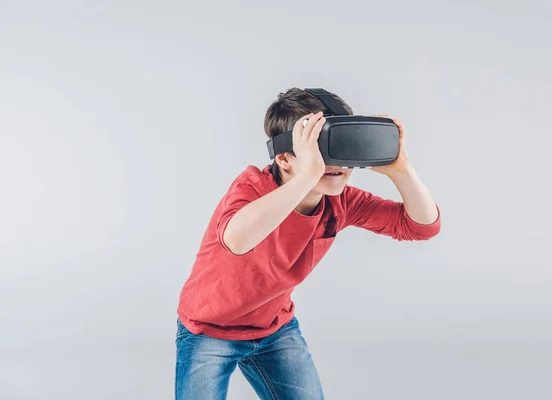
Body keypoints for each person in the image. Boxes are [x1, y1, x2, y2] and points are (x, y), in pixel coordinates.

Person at [175, 87, 441, 399]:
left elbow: (421, 226)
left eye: (338, 146)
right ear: (284, 157)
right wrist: (307, 177)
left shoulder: (341, 202)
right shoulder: (251, 188)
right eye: (317, 149)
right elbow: (236, 239)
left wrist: (402, 170)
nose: (332, 162)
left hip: (274, 328)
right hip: (209, 329)